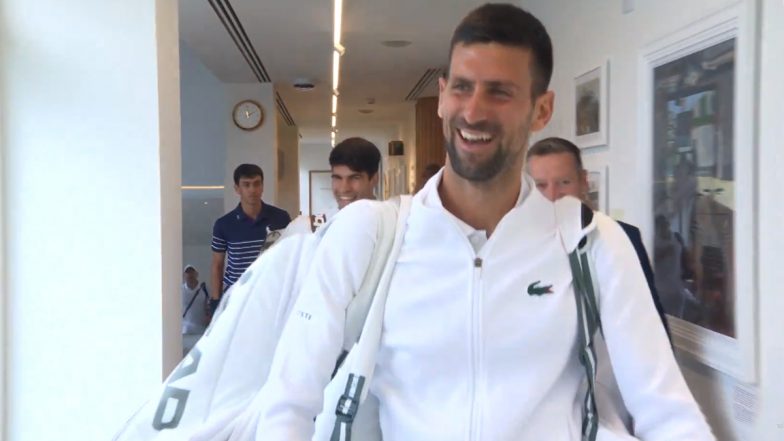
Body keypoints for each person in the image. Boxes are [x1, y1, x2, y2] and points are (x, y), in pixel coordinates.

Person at [257, 4, 713, 440]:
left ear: (541, 109)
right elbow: (289, 401)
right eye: (461, 87)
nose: (473, 111)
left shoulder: (592, 243)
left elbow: (667, 413)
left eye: (499, 91)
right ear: (441, 96)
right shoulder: (368, 235)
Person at [526, 136, 670, 337]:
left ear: (584, 182)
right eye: (541, 185)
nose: (552, 195)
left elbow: (652, 325)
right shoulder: (513, 246)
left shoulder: (623, 238)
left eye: (564, 182)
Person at [210, 164, 291, 312]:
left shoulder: (281, 218)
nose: (252, 190)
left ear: (262, 186)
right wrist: (216, 301)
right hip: (236, 297)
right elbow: (217, 264)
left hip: (272, 296)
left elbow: (289, 256)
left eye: (256, 184)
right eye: (246, 185)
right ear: (237, 189)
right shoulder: (223, 225)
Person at [181, 265, 209, 354]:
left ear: (196, 274)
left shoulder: (205, 289)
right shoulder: (180, 290)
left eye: (191, 272)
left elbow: (209, 305)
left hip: (201, 330)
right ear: (184, 275)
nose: (189, 275)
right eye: (187, 273)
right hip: (185, 331)